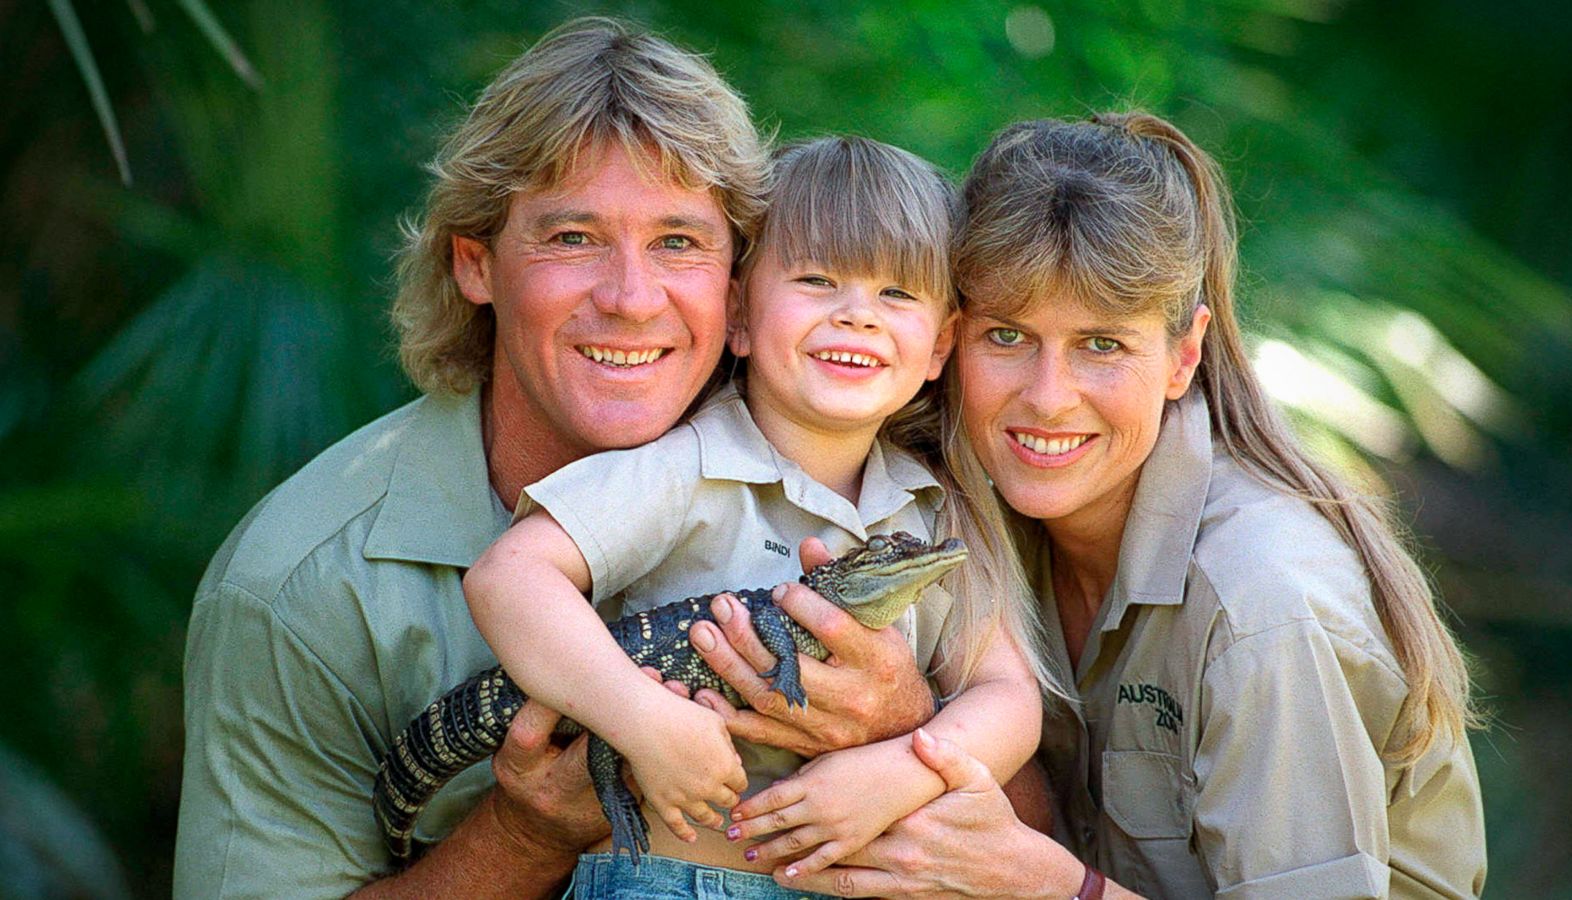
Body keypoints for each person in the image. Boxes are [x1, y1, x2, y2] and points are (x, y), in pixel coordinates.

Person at [174, 21, 940, 898]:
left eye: (678, 242)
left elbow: (1045, 827)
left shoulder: (872, 471)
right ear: (476, 264)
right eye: (572, 238)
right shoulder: (296, 584)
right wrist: (525, 834)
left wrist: (904, 722)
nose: (629, 299)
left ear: (739, 284)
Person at [766, 112, 1488, 899]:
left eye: (1102, 345)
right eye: (1007, 337)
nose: (1046, 399)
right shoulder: (957, 516)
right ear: (950, 336)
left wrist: (1050, 889)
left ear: (1184, 355)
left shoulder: (1266, 605)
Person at [464, 135, 1054, 899]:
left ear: (941, 344)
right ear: (738, 314)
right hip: (672, 879)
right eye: (817, 280)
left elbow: (1008, 698)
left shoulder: (936, 507)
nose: (858, 317)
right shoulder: (684, 466)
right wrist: (647, 724)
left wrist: (902, 770)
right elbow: (510, 578)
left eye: (897, 295)